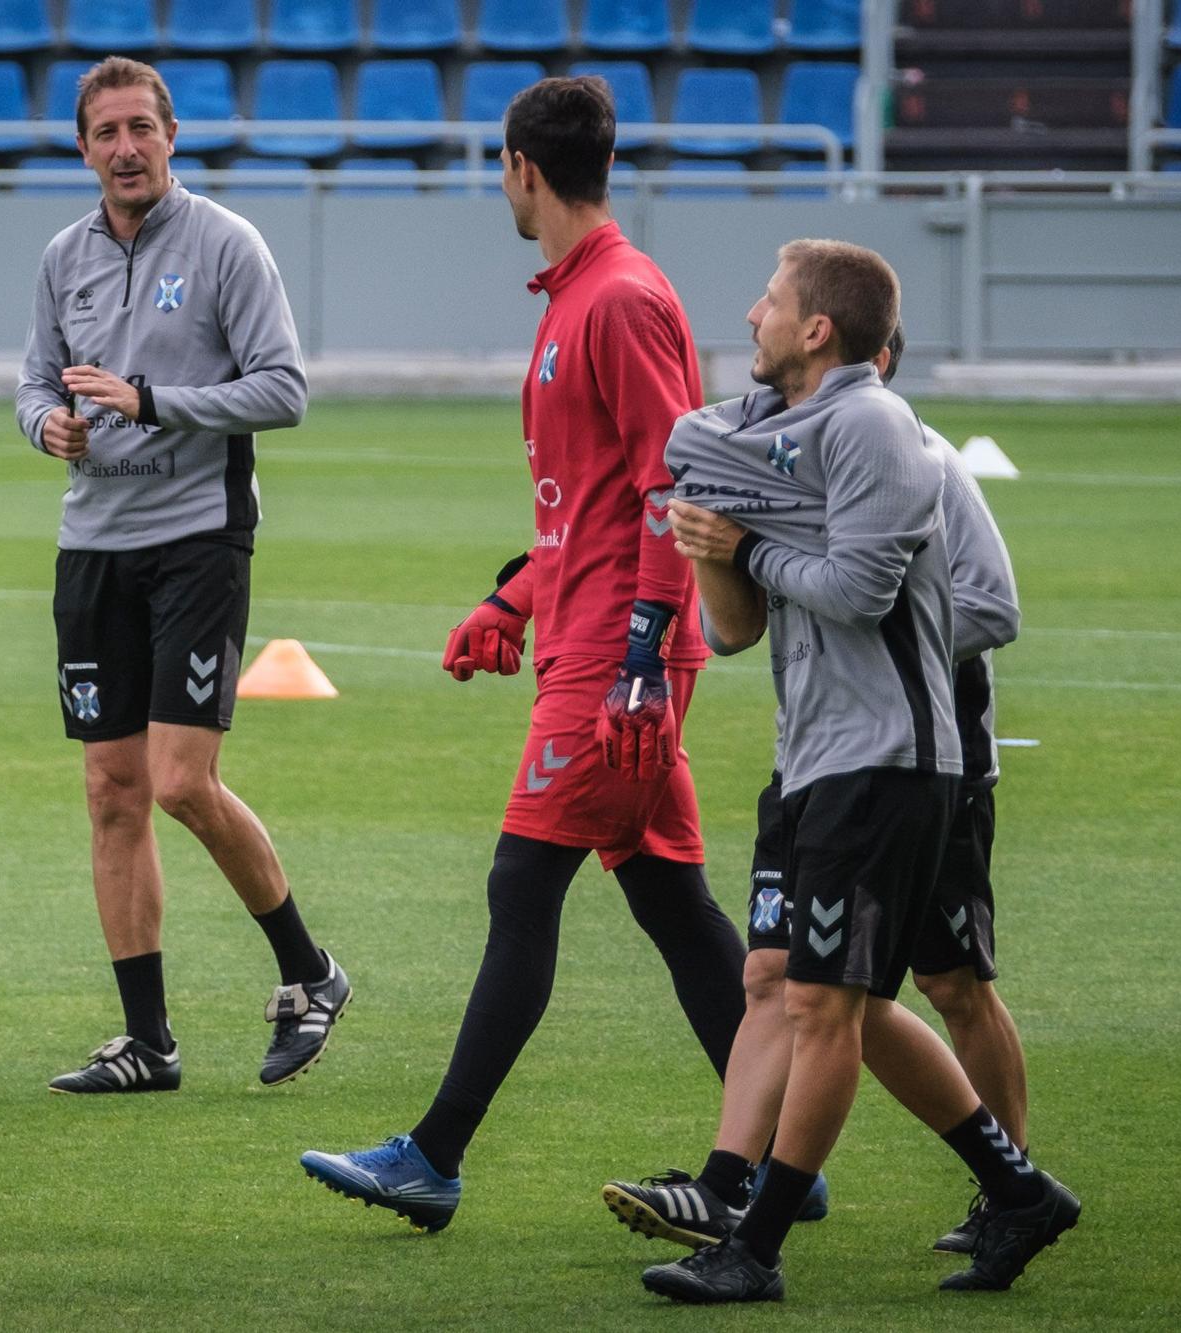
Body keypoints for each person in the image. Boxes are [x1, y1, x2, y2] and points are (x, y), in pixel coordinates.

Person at [296, 75, 748, 1232]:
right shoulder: (576, 295)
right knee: (668, 901)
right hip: (589, 631)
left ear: (521, 170)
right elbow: (587, 505)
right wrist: (511, 597)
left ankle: (431, 1157)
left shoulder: (620, 300)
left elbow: (666, 485)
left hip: (615, 656)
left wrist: (642, 649)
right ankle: (777, 1154)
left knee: (520, 884)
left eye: (499, 168)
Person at [638, 241, 1078, 1302]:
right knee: (812, 991)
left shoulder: (879, 425)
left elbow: (863, 591)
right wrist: (710, 542)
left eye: (771, 302)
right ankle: (1014, 1190)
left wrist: (746, 546)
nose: (750, 315)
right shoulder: (779, 440)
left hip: (889, 763)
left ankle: (755, 1243)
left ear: (817, 329)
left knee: (848, 1000)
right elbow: (736, 632)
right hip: (814, 761)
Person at [15, 56, 348, 1096]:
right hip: (92, 547)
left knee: (177, 782)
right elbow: (30, 380)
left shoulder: (223, 245)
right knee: (110, 790)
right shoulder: (61, 256)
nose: (123, 148)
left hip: (198, 538)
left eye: (139, 129)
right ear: (82, 148)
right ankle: (147, 1042)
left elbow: (283, 390)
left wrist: (150, 399)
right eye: (104, 132)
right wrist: (48, 425)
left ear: (171, 138)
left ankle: (310, 972)